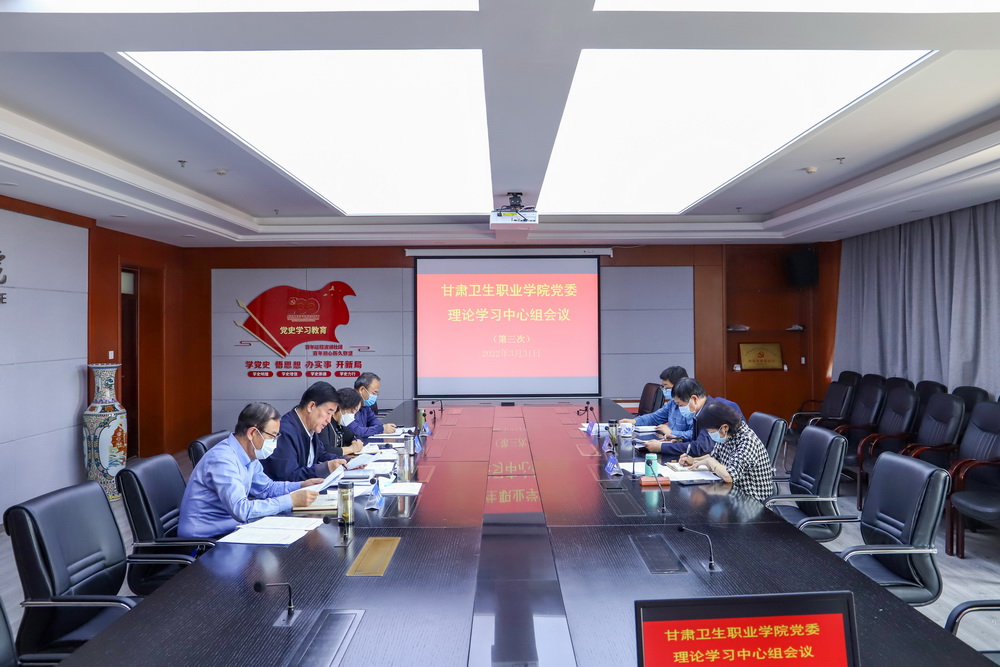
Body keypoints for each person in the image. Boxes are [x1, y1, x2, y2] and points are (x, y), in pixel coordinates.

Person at [178, 402, 322, 539]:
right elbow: (242, 510)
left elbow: (267, 488)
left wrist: (301, 486)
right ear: (252, 433)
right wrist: (291, 500)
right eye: (272, 436)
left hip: (230, 529)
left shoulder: (248, 454)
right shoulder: (222, 460)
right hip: (204, 542)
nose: (275, 442)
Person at [679, 401, 776, 503]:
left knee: (703, 505)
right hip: (731, 494)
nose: (710, 434)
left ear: (724, 427)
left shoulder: (748, 441)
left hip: (752, 502)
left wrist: (709, 461)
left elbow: (729, 476)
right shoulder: (727, 435)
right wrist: (693, 460)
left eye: (711, 432)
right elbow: (714, 457)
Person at [263, 381, 348, 482]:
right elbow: (288, 477)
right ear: (311, 406)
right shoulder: (284, 431)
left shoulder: (310, 427)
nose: (329, 420)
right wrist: (323, 469)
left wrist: (346, 461)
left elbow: (321, 454)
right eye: (328, 413)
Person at [641, 378, 743, 457]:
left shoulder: (711, 413)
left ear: (694, 399)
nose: (679, 409)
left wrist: (662, 447)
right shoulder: (702, 410)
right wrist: (680, 440)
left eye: (680, 405)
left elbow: (701, 448)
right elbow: (699, 441)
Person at [619, 366, 694, 440]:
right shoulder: (672, 404)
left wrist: (671, 432)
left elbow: (694, 434)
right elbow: (655, 418)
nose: (664, 390)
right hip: (671, 442)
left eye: (667, 387)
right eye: (663, 387)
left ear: (679, 386)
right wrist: (634, 421)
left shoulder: (692, 407)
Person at [319, 387, 365, 456]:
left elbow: (354, 435)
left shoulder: (340, 423)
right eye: (352, 411)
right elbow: (325, 450)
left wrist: (356, 442)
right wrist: (351, 449)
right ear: (341, 407)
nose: (353, 416)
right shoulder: (325, 423)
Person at [351, 372, 397, 440]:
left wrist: (383, 427)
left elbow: (374, 421)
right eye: (374, 393)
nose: (375, 396)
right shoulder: (348, 404)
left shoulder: (365, 405)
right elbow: (356, 431)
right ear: (362, 390)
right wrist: (381, 429)